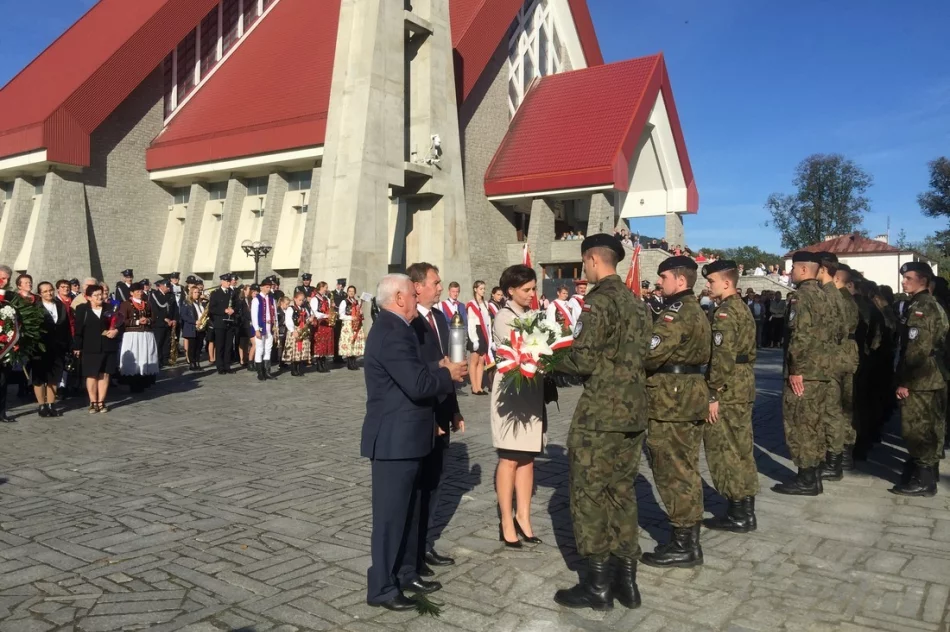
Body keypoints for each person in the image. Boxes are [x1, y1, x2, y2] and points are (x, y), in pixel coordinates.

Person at [552, 234, 651, 611]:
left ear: (593, 259)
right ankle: (627, 582)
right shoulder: (638, 304)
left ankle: (596, 585)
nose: (585, 270)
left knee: (589, 494)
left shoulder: (598, 302)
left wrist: (546, 359)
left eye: (584, 263)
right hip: (633, 412)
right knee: (622, 492)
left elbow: (584, 360)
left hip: (601, 415)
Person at [361, 274, 465, 611]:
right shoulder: (392, 331)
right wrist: (447, 373)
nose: (417, 298)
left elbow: (413, 372)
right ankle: (381, 588)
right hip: (394, 441)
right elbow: (417, 384)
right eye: (411, 293)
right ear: (399, 298)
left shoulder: (399, 328)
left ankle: (404, 573)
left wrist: (437, 366)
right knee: (390, 520)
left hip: (408, 439)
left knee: (408, 513)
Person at [640, 256, 711, 568]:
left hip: (672, 400)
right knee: (686, 467)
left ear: (680, 280)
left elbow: (650, 354)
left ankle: (683, 543)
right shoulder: (695, 309)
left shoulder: (676, 313)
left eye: (664, 276)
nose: (659, 282)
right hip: (688, 394)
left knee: (672, 470)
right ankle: (688, 540)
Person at [406, 263, 465, 578]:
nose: (441, 287)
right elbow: (415, 371)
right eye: (436, 282)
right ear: (418, 286)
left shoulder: (441, 317)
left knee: (437, 481)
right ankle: (412, 552)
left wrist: (453, 409)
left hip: (442, 408)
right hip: (421, 414)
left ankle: (426, 543)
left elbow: (449, 369)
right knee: (419, 485)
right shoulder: (409, 322)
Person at [700, 261, 759, 533]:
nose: (708, 285)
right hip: (743, 381)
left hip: (728, 386)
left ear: (726, 283)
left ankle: (737, 512)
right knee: (742, 446)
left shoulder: (724, 313)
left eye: (711, 281)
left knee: (725, 448)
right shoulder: (742, 308)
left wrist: (713, 393)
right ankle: (746, 509)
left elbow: (722, 358)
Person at [771, 251, 836, 496]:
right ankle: (814, 475)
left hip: (804, 372)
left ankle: (806, 479)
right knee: (815, 424)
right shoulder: (825, 296)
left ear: (805, 270)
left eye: (793, 268)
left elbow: (800, 336)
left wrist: (796, 370)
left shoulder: (801, 297)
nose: (790, 272)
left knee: (800, 425)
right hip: (821, 371)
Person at [492, 265, 545, 549]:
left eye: (534, 288)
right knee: (510, 457)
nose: (531, 294)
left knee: (527, 458)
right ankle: (506, 521)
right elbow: (522, 348)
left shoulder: (531, 315)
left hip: (531, 392)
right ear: (510, 290)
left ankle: (523, 517)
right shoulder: (504, 317)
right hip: (511, 394)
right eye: (526, 289)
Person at [892, 261, 947, 496]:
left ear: (923, 280)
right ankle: (927, 473)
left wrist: (905, 382)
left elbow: (917, 349)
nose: (904, 282)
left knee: (917, 428)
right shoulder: (929, 303)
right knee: (931, 427)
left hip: (921, 378)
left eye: (909, 278)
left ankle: (924, 481)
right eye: (904, 278)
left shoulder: (921, 307)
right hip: (932, 375)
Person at [72, 284, 119, 413]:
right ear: (88, 297)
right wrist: (77, 347)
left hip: (107, 345)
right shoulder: (82, 309)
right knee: (91, 374)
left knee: (104, 374)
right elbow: (78, 330)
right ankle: (93, 402)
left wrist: (116, 330)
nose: (99, 297)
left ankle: (101, 402)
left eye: (101, 294)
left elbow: (118, 323)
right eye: (96, 295)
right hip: (90, 346)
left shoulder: (110, 307)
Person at [31, 282, 72, 418]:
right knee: (39, 377)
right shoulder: (35, 308)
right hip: (40, 348)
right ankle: (41, 405)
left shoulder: (60, 306)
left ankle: (50, 404)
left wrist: (69, 345)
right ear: (40, 294)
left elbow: (66, 327)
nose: (49, 293)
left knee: (54, 377)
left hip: (58, 347)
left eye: (50, 290)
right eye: (45, 291)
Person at [118, 283, 160, 393]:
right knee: (135, 357)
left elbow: (153, 318)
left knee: (146, 356)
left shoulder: (147, 303)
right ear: (131, 293)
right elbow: (122, 320)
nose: (140, 293)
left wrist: (148, 320)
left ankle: (145, 381)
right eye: (137, 291)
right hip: (132, 335)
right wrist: (137, 321)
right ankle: (134, 383)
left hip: (146, 334)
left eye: (141, 291)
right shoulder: (126, 304)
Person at [466, 280, 493, 395]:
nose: (483, 291)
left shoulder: (486, 304)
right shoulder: (471, 304)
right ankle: (474, 387)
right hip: (475, 332)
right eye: (481, 289)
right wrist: (474, 339)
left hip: (484, 332)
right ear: (475, 289)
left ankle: (479, 387)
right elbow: (471, 323)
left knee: (482, 360)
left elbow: (488, 322)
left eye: (484, 289)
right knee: (474, 360)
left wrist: (490, 337)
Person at [208, 274, 237, 375]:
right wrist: (223, 310)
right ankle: (220, 366)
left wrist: (233, 310)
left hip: (230, 322)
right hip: (220, 322)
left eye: (229, 281)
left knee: (229, 345)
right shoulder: (215, 293)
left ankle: (227, 365)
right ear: (222, 282)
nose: (229, 283)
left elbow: (236, 305)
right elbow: (212, 308)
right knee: (220, 345)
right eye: (227, 281)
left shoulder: (232, 293)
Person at [251, 278, 278, 381]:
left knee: (268, 349)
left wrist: (275, 327)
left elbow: (274, 314)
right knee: (260, 349)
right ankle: (260, 372)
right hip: (261, 326)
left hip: (270, 326)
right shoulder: (256, 299)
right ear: (261, 287)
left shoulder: (271, 299)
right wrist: (256, 329)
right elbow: (254, 316)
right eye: (267, 287)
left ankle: (267, 371)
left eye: (270, 287)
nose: (268, 289)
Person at [282, 291, 312, 376]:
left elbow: (306, 319)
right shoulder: (291, 309)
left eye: (302, 300)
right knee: (295, 350)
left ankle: (299, 368)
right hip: (295, 330)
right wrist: (293, 330)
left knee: (300, 350)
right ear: (295, 299)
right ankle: (293, 369)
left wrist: (309, 320)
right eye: (299, 300)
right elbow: (288, 320)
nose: (301, 302)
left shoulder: (304, 309)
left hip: (303, 330)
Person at [309, 281, 335, 373]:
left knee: (325, 343)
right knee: (319, 344)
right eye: (326, 287)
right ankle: (319, 364)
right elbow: (314, 312)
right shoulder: (314, 299)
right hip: (319, 324)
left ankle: (323, 363)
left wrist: (332, 309)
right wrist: (326, 315)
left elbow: (329, 309)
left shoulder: (326, 298)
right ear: (321, 287)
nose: (327, 289)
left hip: (326, 324)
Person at [149, 279, 176, 367]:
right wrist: (164, 319)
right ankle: (158, 360)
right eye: (167, 286)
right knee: (159, 342)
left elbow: (175, 308)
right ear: (161, 286)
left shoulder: (171, 295)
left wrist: (174, 319)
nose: (169, 288)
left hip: (170, 322)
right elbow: (155, 310)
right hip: (159, 323)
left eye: (169, 286)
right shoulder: (154, 295)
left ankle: (165, 359)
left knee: (167, 341)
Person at [180, 285, 207, 371]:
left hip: (201, 328)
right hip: (192, 327)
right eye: (195, 292)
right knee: (192, 347)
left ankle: (197, 362)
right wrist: (194, 321)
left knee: (199, 346)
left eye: (198, 292)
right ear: (191, 293)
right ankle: (192, 363)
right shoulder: (187, 302)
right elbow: (184, 315)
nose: (197, 294)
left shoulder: (200, 303)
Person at [339, 285, 365, 370]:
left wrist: (360, 313)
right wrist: (351, 317)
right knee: (349, 342)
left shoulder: (356, 302)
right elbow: (341, 315)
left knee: (355, 343)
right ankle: (349, 363)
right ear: (347, 292)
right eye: (350, 291)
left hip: (356, 324)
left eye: (353, 291)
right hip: (348, 324)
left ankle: (353, 361)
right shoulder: (344, 302)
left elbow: (359, 312)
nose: (351, 293)